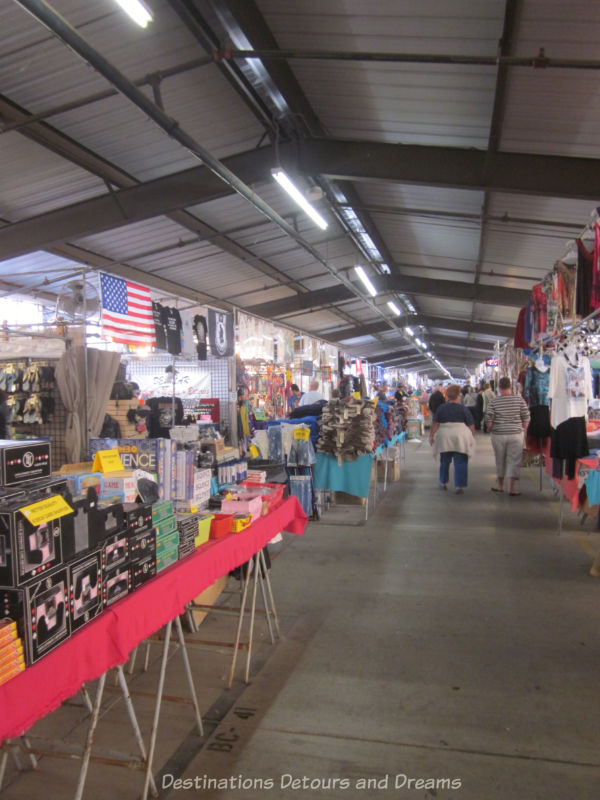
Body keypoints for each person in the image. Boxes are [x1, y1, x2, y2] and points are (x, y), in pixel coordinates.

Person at [485, 376, 530, 496]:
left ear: (499, 388)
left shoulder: (494, 401)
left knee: (500, 459)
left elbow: (489, 420)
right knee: (514, 461)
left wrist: (491, 428)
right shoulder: (519, 400)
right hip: (515, 434)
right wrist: (522, 430)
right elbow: (526, 418)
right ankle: (511, 488)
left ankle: (500, 486)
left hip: (498, 435)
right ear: (510, 387)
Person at [429, 384, 475, 494]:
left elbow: (435, 423)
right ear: (458, 396)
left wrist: (431, 435)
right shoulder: (463, 409)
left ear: (448, 396)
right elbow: (471, 425)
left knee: (444, 460)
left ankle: (443, 482)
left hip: (445, 436)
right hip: (460, 436)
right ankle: (459, 486)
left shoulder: (441, 408)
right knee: (460, 461)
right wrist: (472, 436)